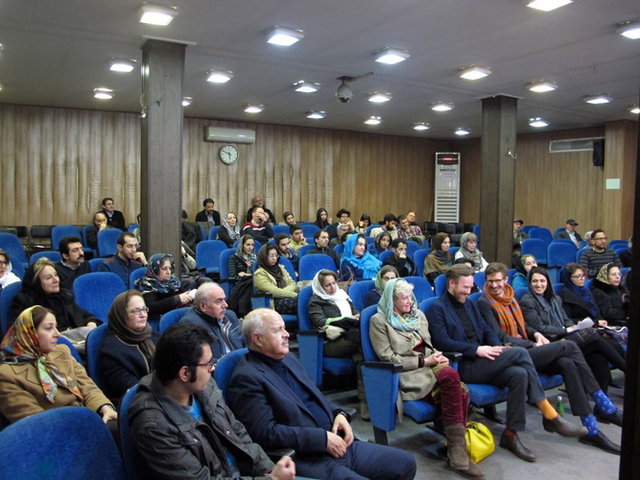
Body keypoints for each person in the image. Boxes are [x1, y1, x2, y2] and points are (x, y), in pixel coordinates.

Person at [226, 308, 417, 480]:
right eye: (277, 330)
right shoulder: (246, 377)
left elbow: (315, 396)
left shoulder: (288, 358)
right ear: (258, 339)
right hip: (308, 456)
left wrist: (338, 413)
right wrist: (322, 439)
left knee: (404, 463)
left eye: (284, 328)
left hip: (338, 443)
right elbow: (266, 434)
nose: (286, 334)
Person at [427, 264, 586, 463]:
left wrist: (497, 346)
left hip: (485, 359)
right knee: (520, 353)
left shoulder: (470, 304)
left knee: (519, 374)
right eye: (465, 287)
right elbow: (442, 341)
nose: (469, 291)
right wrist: (476, 349)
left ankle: (511, 434)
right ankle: (549, 414)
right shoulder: (437, 308)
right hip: (464, 364)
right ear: (451, 284)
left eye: (471, 287)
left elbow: (487, 331)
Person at [479, 263, 622, 453]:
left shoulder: (510, 296)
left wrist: (536, 334)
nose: (494, 285)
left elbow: (522, 326)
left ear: (506, 279)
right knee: (569, 346)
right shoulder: (484, 301)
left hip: (528, 346)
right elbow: (499, 336)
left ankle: (591, 429)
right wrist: (532, 343)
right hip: (514, 353)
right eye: (490, 281)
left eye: (498, 281)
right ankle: (605, 406)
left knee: (567, 363)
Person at [128, 321, 295, 480]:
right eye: (207, 364)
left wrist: (269, 470)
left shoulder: (204, 387)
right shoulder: (154, 425)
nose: (213, 368)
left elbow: (238, 434)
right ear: (185, 373)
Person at [371, 279, 483, 478]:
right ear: (391, 300)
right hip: (408, 371)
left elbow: (429, 346)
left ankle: (455, 449)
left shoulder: (418, 316)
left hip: (431, 365)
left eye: (410, 297)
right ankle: (458, 451)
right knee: (456, 387)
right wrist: (425, 361)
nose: (409, 302)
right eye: (403, 298)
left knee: (456, 386)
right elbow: (388, 357)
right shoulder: (379, 321)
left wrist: (438, 356)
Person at [0, 306, 117, 425]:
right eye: (49, 328)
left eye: (56, 327)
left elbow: (87, 387)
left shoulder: (62, 352)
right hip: (59, 428)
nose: (57, 334)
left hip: (88, 415)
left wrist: (104, 407)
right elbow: (36, 422)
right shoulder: (7, 375)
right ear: (29, 334)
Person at [520, 266, 626, 393]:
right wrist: (567, 330)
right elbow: (540, 328)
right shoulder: (527, 301)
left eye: (542, 281)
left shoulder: (555, 299)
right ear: (530, 283)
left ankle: (602, 400)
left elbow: (566, 320)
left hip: (565, 337)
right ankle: (628, 370)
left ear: (548, 282)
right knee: (593, 336)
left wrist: (575, 327)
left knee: (598, 357)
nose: (539, 284)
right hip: (551, 342)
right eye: (535, 281)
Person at [308, 269, 367, 418]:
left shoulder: (343, 296)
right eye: (327, 285)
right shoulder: (315, 301)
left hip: (351, 337)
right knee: (363, 342)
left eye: (334, 283)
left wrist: (356, 317)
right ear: (320, 287)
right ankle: (369, 401)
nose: (333, 287)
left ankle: (366, 402)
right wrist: (345, 320)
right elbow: (319, 321)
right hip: (330, 343)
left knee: (361, 355)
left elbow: (356, 312)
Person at [10, 258, 98, 346]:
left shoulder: (63, 296)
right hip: (49, 345)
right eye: (48, 278)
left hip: (73, 339)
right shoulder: (25, 301)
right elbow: (22, 333)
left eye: (55, 275)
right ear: (37, 282)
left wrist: (91, 323)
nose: (56, 280)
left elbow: (85, 316)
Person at [98, 290, 159, 405]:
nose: (143, 315)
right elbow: (132, 388)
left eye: (144, 309)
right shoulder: (111, 350)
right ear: (121, 315)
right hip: (137, 403)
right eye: (136, 311)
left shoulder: (153, 335)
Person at [135, 253, 195, 323]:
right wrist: (177, 299)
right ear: (155, 270)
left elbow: (182, 294)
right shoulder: (147, 285)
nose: (168, 272)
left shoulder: (173, 281)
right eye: (164, 269)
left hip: (177, 316)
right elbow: (150, 308)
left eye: (170, 268)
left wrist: (191, 295)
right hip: (160, 320)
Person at [254, 244, 297, 314]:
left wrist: (286, 293)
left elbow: (292, 283)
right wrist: (295, 295)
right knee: (301, 301)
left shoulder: (281, 268)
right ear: (264, 256)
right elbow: (273, 292)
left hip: (288, 297)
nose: (274, 258)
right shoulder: (259, 274)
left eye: (276, 255)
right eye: (271, 256)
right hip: (273, 304)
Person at [227, 234, 258, 318]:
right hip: (240, 285)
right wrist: (243, 277)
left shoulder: (256, 258)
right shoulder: (233, 258)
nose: (250, 247)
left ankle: (244, 313)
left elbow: (259, 275)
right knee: (250, 282)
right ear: (242, 245)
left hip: (254, 283)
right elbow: (232, 277)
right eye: (248, 245)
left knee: (252, 281)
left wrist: (247, 275)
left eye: (252, 245)